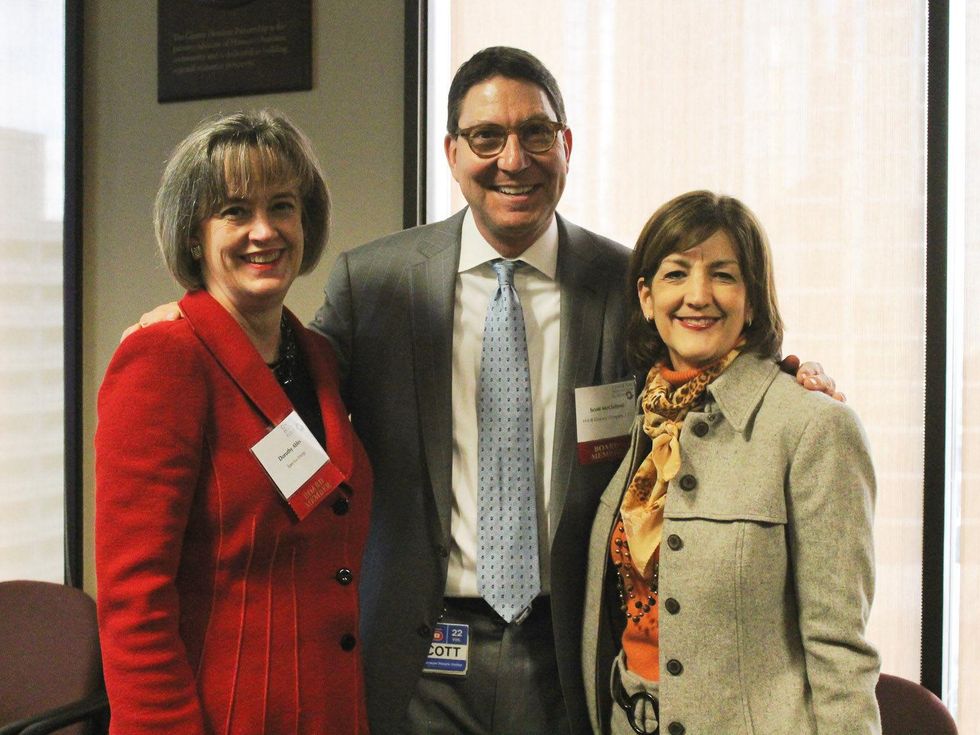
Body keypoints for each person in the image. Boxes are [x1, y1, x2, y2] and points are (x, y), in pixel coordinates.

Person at [124, 49, 841, 735]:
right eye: (486, 137)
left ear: (565, 144)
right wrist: (187, 315)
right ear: (452, 153)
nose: (513, 160)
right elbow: (276, 379)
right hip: (418, 652)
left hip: (565, 653)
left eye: (535, 134)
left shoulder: (626, 285)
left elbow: (701, 371)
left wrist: (784, 374)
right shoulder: (374, 283)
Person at [95, 110, 373, 734]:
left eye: (282, 207)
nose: (263, 231)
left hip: (331, 711)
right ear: (194, 235)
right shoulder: (164, 356)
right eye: (234, 211)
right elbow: (133, 600)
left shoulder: (319, 358)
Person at [581, 191, 880, 735]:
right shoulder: (638, 418)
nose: (698, 296)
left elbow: (840, 648)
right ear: (646, 298)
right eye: (676, 275)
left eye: (723, 275)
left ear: (753, 299)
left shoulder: (813, 426)